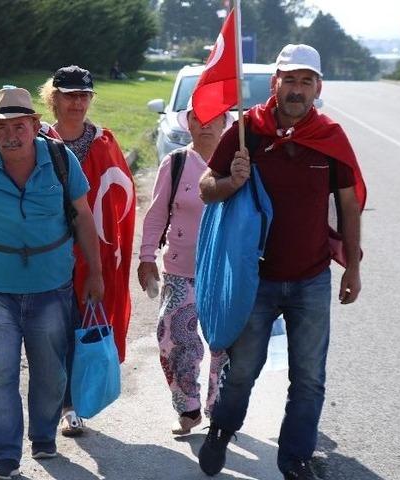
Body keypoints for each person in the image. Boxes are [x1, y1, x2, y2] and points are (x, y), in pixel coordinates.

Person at [196, 44, 367, 480]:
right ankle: (221, 429)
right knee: (243, 372)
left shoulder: (329, 137)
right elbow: (205, 187)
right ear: (275, 83)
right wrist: (231, 181)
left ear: (318, 88)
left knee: (309, 378)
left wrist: (353, 266)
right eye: (289, 79)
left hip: (312, 278)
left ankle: (295, 459)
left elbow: (348, 205)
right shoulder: (246, 131)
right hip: (256, 278)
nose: (296, 89)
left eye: (305, 81)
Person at [0, 87, 104, 480]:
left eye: (19, 125)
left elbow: (83, 216)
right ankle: (4, 458)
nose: (10, 135)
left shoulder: (59, 158)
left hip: (51, 283)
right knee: (0, 370)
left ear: (35, 126)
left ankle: (43, 436)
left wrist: (96, 273)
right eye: (1, 127)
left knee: (50, 370)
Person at [39, 65, 136, 437]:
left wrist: (112, 256)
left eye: (83, 96)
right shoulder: (40, 140)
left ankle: (72, 403)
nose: (77, 103)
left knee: (82, 328)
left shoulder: (104, 142)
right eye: (69, 95)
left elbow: (122, 202)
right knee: (52, 334)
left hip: (93, 254)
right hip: (51, 253)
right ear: (54, 98)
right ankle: (60, 403)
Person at [137, 104, 231, 436]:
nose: (205, 125)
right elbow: (157, 213)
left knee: (225, 345)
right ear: (189, 123)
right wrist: (146, 255)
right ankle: (188, 407)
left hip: (225, 273)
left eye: (213, 119)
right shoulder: (176, 163)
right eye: (197, 118)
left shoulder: (237, 163)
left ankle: (220, 412)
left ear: (225, 122)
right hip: (180, 269)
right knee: (172, 338)